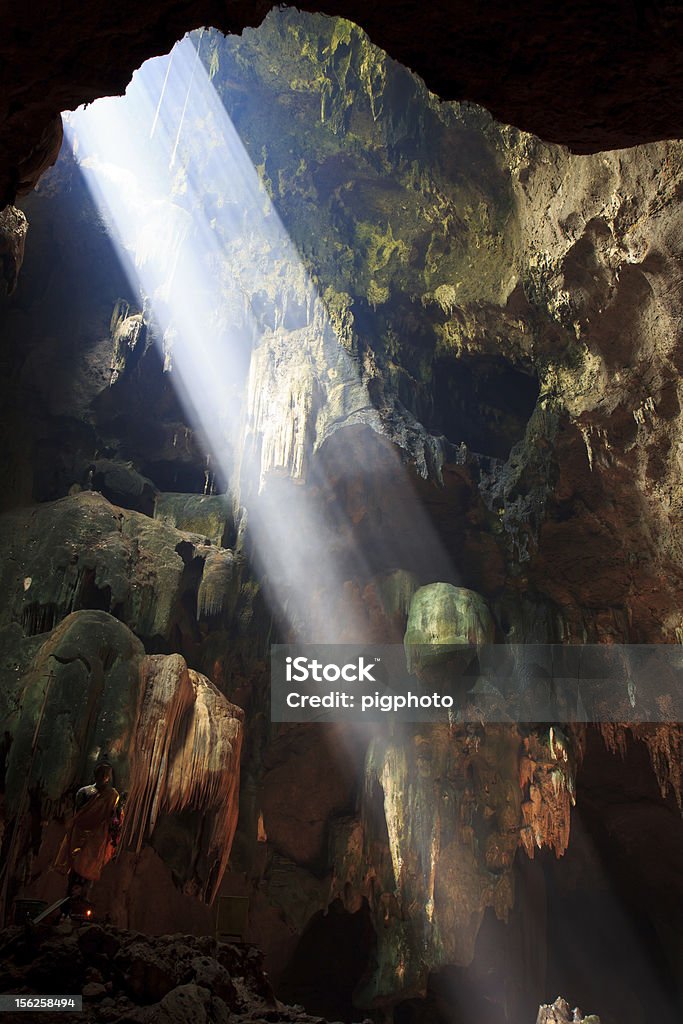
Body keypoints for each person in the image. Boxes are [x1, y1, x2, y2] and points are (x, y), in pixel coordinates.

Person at [54, 760, 122, 904]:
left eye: (106, 774)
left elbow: (114, 817)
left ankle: (82, 902)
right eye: (101, 774)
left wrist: (114, 835)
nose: (104, 777)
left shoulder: (112, 795)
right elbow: (78, 814)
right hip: (79, 834)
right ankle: (68, 902)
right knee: (76, 867)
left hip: (97, 838)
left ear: (109, 777)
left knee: (89, 870)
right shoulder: (84, 792)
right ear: (95, 775)